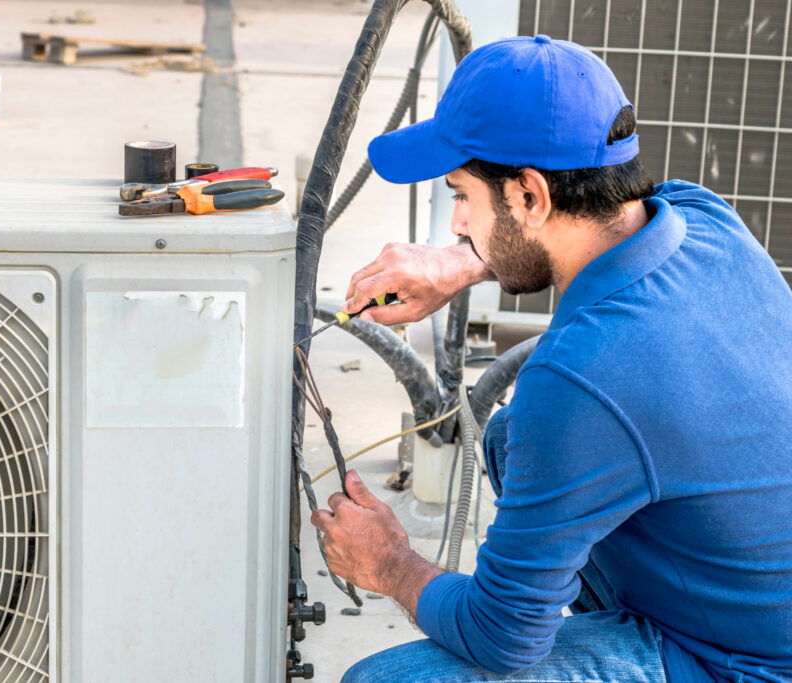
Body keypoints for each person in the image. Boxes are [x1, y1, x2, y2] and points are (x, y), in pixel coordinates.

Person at [310, 34, 792, 682]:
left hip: (746, 663)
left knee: (381, 681)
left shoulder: (581, 377)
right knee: (512, 438)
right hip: (753, 592)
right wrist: (463, 264)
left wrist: (392, 562)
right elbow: (592, 233)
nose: (456, 223)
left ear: (530, 197)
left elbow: (500, 636)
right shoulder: (703, 219)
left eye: (462, 195)